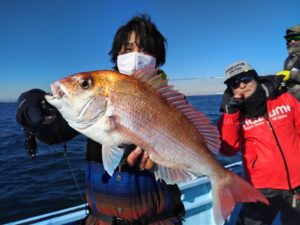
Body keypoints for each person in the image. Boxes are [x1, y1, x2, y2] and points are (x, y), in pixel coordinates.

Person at [16, 15, 185, 225]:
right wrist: (32, 103)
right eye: (127, 49)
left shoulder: (177, 106)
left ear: (157, 60)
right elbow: (52, 132)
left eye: (145, 50)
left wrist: (166, 158)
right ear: (116, 56)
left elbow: (191, 153)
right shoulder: (99, 94)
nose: (135, 56)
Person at [218, 60, 300, 225]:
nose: (241, 85)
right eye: (235, 84)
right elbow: (228, 150)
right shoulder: (232, 116)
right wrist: (231, 116)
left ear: (255, 77)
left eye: (245, 79)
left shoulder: (284, 99)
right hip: (261, 188)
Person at [276, 24, 300, 101]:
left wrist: (291, 75)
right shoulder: (288, 60)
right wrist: (281, 84)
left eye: (297, 37)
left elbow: (291, 76)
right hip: (292, 104)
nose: (292, 41)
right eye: (289, 39)